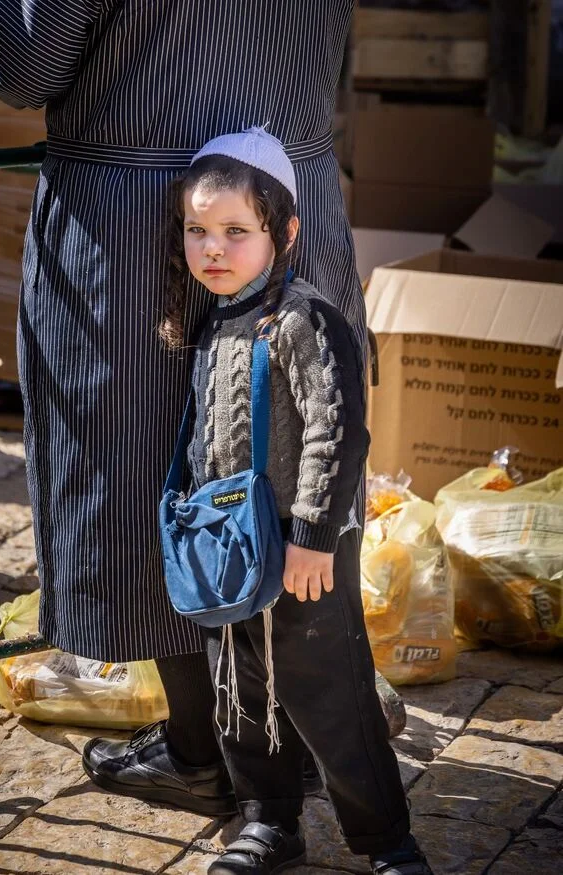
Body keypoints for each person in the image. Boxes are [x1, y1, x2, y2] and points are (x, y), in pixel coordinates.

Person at [0, 0, 404, 818]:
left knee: (143, 475)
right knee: (278, 462)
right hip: (285, 210)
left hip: (145, 233)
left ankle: (206, 750)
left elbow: (26, 55)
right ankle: (293, 736)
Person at [157, 128, 431, 875]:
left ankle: (387, 841)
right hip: (232, 552)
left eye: (236, 231)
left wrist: (311, 534)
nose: (213, 247)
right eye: (198, 230)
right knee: (242, 693)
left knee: (330, 699)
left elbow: (334, 432)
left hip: (302, 546)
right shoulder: (215, 318)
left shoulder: (306, 320)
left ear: (286, 231)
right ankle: (270, 821)